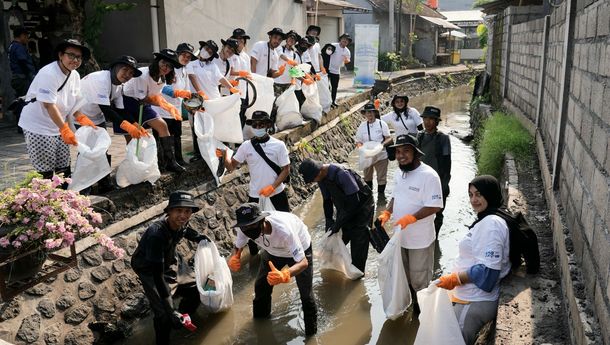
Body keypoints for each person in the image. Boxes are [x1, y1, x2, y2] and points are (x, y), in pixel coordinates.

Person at [436, 175, 510, 345]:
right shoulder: (488, 218)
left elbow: (488, 272)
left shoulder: (492, 224)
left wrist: (455, 279)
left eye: (479, 194)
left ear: (489, 194)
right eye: (471, 195)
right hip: (467, 296)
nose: (474, 200)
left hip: (475, 300)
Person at [131, 190, 210, 345]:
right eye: (178, 211)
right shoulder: (156, 234)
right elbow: (158, 276)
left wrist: (198, 237)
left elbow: (185, 230)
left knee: (197, 288)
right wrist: (170, 309)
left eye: (187, 211)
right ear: (169, 211)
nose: (183, 215)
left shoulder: (182, 222)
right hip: (150, 269)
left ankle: (184, 316)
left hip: (171, 260)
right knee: (164, 314)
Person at [227, 202, 317, 336]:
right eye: (245, 227)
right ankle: (260, 323)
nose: (249, 229)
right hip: (272, 252)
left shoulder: (284, 230)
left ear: (262, 220)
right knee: (261, 285)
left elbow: (303, 262)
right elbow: (239, 244)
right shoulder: (243, 228)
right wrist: (236, 256)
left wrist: (285, 274)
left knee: (306, 293)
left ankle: (311, 334)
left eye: (253, 225)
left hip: (300, 251)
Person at [376, 134, 443, 312]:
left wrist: (412, 218)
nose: (401, 155)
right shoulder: (399, 173)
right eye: (398, 151)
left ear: (416, 153)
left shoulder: (429, 176)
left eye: (406, 151)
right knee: (404, 277)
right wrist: (387, 212)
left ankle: (422, 315)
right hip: (400, 237)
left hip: (420, 240)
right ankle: (411, 307)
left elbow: (435, 206)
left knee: (419, 280)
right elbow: (395, 196)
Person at [18, 39, 94, 181]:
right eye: (71, 55)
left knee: (63, 166)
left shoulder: (75, 75)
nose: (75, 60)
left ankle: (66, 199)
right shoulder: (49, 73)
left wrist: (82, 119)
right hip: (38, 125)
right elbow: (48, 105)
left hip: (58, 125)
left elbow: (74, 102)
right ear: (60, 55)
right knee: (45, 169)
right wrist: (64, 129)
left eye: (78, 57)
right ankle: (46, 200)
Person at [79, 55, 146, 192]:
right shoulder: (101, 79)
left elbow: (120, 110)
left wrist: (134, 123)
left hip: (96, 116)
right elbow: (107, 110)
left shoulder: (118, 85)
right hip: (79, 116)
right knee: (87, 150)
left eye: (131, 73)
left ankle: (104, 183)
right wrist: (127, 126)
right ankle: (84, 186)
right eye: (125, 70)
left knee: (102, 147)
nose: (127, 75)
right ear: (115, 67)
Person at [298, 158, 373, 273]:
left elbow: (354, 201)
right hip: (344, 207)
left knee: (359, 240)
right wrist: (329, 220)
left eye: (313, 179)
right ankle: (336, 268)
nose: (313, 182)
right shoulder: (321, 179)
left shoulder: (342, 173)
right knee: (339, 238)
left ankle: (358, 273)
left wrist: (338, 223)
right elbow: (327, 201)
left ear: (319, 172)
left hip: (362, 208)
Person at [121, 48, 186, 173]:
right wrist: (166, 106)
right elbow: (144, 98)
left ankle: (170, 161)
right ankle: (135, 167)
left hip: (143, 103)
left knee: (162, 126)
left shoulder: (162, 79)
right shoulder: (142, 75)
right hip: (127, 104)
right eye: (163, 63)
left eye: (170, 66)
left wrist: (169, 106)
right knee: (133, 139)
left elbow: (155, 97)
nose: (166, 68)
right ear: (157, 61)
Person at [219, 111, 291, 211]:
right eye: (254, 125)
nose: (257, 128)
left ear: (268, 125)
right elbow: (231, 167)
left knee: (285, 224)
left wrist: (273, 187)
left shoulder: (279, 145)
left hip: (277, 193)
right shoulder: (246, 146)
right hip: (256, 195)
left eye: (261, 124)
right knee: (256, 226)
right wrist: (224, 155)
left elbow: (286, 170)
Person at [153, 43, 197, 167]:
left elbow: (187, 91)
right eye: (184, 55)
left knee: (177, 136)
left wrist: (192, 107)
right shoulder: (168, 68)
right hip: (162, 109)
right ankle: (162, 164)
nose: (186, 58)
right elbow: (161, 86)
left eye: (189, 57)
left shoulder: (184, 70)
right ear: (177, 54)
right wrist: (175, 92)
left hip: (176, 109)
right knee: (162, 137)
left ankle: (178, 159)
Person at [416, 106, 451, 235]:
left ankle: (434, 238)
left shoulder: (443, 139)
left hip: (438, 181)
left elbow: (447, 164)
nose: (427, 122)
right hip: (420, 181)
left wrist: (444, 185)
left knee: (438, 213)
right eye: (425, 118)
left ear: (436, 122)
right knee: (420, 210)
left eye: (431, 119)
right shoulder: (419, 137)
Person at [355, 103, 392, 200]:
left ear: (375, 113)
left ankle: (381, 198)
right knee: (367, 178)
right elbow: (358, 141)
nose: (369, 114)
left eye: (371, 112)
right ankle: (369, 198)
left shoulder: (381, 124)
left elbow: (389, 138)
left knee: (381, 178)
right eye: (367, 112)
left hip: (381, 155)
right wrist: (361, 148)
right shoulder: (362, 126)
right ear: (365, 114)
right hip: (367, 155)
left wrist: (381, 145)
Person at [229, 28, 253, 128]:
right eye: (237, 41)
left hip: (244, 89)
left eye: (242, 41)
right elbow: (229, 71)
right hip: (231, 89)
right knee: (233, 115)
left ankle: (240, 140)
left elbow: (249, 73)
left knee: (242, 114)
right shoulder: (230, 54)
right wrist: (240, 73)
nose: (239, 43)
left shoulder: (246, 56)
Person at [8, 27, 36, 98]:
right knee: (27, 99)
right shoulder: (18, 47)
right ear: (22, 36)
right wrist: (30, 75)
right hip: (22, 78)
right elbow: (22, 62)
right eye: (26, 36)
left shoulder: (12, 46)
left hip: (16, 77)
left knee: (21, 98)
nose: (27, 39)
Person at [328, 33, 352, 108]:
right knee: (326, 86)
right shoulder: (333, 45)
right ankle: (326, 102)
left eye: (347, 40)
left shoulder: (347, 51)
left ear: (348, 42)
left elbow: (347, 61)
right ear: (340, 39)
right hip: (328, 69)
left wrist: (346, 60)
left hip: (336, 71)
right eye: (343, 39)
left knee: (334, 87)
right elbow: (326, 53)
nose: (345, 40)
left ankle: (333, 101)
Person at [274, 30, 300, 95]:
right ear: (287, 39)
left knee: (286, 104)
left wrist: (293, 80)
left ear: (295, 42)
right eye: (290, 38)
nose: (291, 40)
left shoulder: (295, 55)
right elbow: (281, 55)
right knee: (276, 103)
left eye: (293, 40)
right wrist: (289, 61)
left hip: (288, 83)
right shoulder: (279, 48)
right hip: (277, 81)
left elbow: (294, 69)